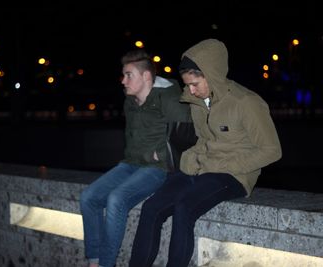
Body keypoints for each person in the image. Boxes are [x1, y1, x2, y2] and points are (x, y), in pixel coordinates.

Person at [129, 38, 282, 267]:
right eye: (187, 84)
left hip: (234, 175)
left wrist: (221, 165)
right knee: (152, 207)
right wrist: (190, 159)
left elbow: (272, 150)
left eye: (195, 84)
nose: (191, 91)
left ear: (211, 75)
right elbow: (203, 140)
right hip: (203, 168)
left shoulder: (246, 102)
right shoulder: (197, 101)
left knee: (184, 207)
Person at [80, 49, 194, 267]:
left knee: (116, 199)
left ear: (146, 76)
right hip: (131, 163)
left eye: (128, 75)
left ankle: (106, 263)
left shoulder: (170, 98)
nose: (123, 80)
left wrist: (159, 153)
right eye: (123, 75)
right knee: (89, 198)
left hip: (158, 168)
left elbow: (186, 137)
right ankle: (94, 260)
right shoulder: (130, 102)